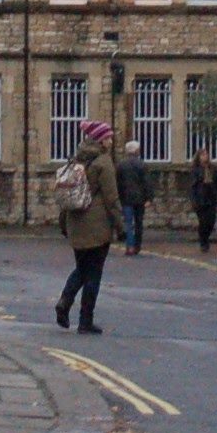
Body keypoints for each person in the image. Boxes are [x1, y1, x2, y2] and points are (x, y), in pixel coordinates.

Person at [54, 120, 120, 333]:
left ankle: (65, 301)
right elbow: (111, 198)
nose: (111, 141)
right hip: (97, 225)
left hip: (75, 222)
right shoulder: (103, 162)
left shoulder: (78, 158)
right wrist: (122, 226)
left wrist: (63, 222)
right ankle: (85, 321)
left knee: (82, 268)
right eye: (108, 138)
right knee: (94, 273)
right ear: (100, 140)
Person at [190, 150, 217, 254]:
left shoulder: (213, 169)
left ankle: (206, 237)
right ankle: (204, 242)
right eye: (202, 155)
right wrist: (194, 200)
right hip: (200, 199)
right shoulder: (196, 170)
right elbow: (193, 187)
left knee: (211, 221)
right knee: (203, 222)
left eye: (206, 154)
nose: (205, 156)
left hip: (212, 198)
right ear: (198, 157)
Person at [118, 143, 152, 255]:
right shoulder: (142, 164)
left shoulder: (121, 164)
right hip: (140, 198)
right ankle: (137, 245)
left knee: (128, 223)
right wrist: (149, 198)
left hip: (126, 198)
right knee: (138, 223)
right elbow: (147, 182)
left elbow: (118, 182)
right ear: (137, 150)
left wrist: (118, 197)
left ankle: (130, 246)